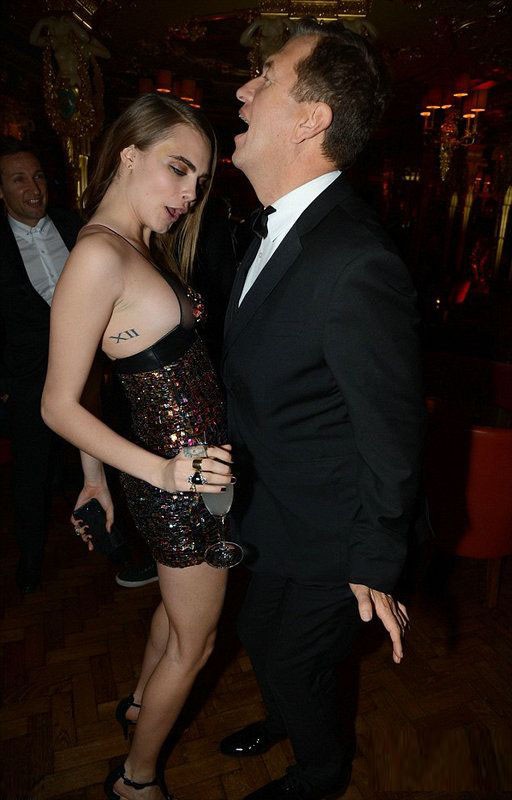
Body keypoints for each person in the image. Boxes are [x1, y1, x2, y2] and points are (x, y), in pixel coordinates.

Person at [220, 19, 425, 800]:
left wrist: (375, 560)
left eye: (265, 76)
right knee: (256, 633)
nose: (244, 89)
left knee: (293, 658)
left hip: (337, 527)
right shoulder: (277, 227)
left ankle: (320, 774)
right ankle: (288, 719)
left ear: (311, 119)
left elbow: (393, 430)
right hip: (276, 504)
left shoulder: (355, 260)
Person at [41, 93, 233, 800]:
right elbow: (56, 403)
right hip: (175, 479)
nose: (188, 194)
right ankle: (136, 780)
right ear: (128, 154)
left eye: (199, 181)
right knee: (196, 641)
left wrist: (95, 476)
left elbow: (93, 377)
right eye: (178, 169)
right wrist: (164, 473)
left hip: (186, 473)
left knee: (177, 618)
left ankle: (138, 705)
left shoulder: (132, 247)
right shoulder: (99, 254)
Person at [0, 137, 82, 593]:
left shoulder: (75, 227)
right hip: (30, 377)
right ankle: (30, 560)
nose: (33, 188)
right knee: (30, 473)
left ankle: (117, 546)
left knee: (97, 458)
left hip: (88, 369)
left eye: (36, 177)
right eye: (18, 179)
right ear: (1, 191)